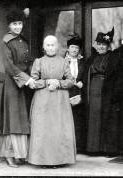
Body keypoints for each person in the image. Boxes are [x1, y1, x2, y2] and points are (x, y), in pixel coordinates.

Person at [82, 27, 123, 156]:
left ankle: (107, 149)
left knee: (107, 119)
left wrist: (115, 94)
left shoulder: (114, 59)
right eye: (98, 44)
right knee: (94, 118)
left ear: (108, 46)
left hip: (107, 93)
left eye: (103, 45)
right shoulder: (91, 59)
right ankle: (93, 149)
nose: (101, 47)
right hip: (92, 92)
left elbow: (120, 78)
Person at [28, 35, 76, 168]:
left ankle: (59, 160)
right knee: (43, 129)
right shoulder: (38, 62)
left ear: (57, 47)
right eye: (47, 45)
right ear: (44, 47)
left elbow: (71, 81)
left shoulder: (64, 62)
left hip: (60, 101)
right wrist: (46, 82)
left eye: (53, 45)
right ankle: (42, 160)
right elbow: (33, 82)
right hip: (42, 100)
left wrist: (59, 83)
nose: (50, 47)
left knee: (58, 129)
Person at [0, 9, 36, 168]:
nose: (17, 27)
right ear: (9, 25)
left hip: (23, 85)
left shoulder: (23, 41)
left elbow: (27, 62)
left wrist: (34, 75)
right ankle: (9, 154)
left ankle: (20, 154)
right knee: (12, 119)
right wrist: (27, 80)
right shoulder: (6, 41)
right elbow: (9, 66)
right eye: (14, 24)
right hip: (12, 84)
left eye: (20, 23)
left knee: (22, 118)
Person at [65, 34, 87, 153]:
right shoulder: (62, 61)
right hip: (65, 93)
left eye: (77, 48)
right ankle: (66, 146)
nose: (74, 50)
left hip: (78, 94)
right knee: (66, 120)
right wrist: (73, 82)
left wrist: (82, 82)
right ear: (68, 48)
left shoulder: (82, 62)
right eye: (72, 47)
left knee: (77, 121)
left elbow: (84, 76)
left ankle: (77, 146)